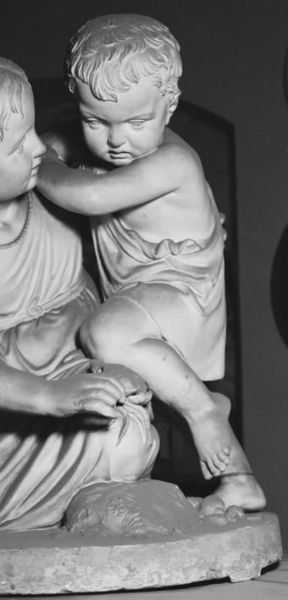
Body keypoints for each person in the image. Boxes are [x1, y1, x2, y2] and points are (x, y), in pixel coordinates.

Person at [0, 51, 159, 537]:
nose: (40, 147)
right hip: (0, 389)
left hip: (81, 353)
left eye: (33, 131)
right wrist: (49, 397)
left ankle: (93, 498)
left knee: (128, 438)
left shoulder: (51, 185)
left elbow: (145, 160)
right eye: (18, 144)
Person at [37, 14, 265, 512]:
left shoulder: (173, 162)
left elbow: (88, 195)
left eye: (137, 122)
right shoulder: (104, 138)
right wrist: (50, 146)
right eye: (95, 121)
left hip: (181, 293)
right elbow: (54, 138)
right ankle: (239, 480)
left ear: (170, 106)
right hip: (137, 290)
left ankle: (204, 411)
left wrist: (36, 163)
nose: (116, 140)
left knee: (105, 334)